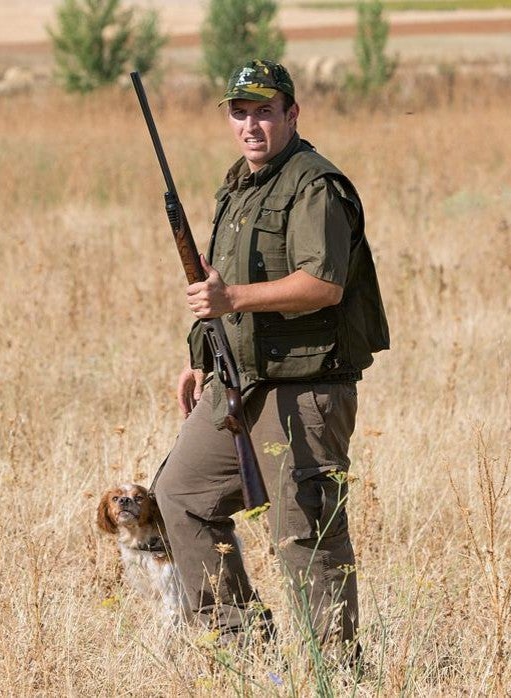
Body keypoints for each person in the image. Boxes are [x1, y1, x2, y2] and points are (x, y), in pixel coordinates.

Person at [151, 59, 389, 656]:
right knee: (180, 497)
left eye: (264, 111)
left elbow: (322, 285)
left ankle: (334, 675)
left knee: (304, 535)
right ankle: (246, 652)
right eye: (240, 112)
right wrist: (203, 356)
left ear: (291, 113)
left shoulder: (314, 185)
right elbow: (219, 288)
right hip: (240, 381)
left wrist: (230, 297)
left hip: (306, 387)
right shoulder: (238, 187)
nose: (251, 124)